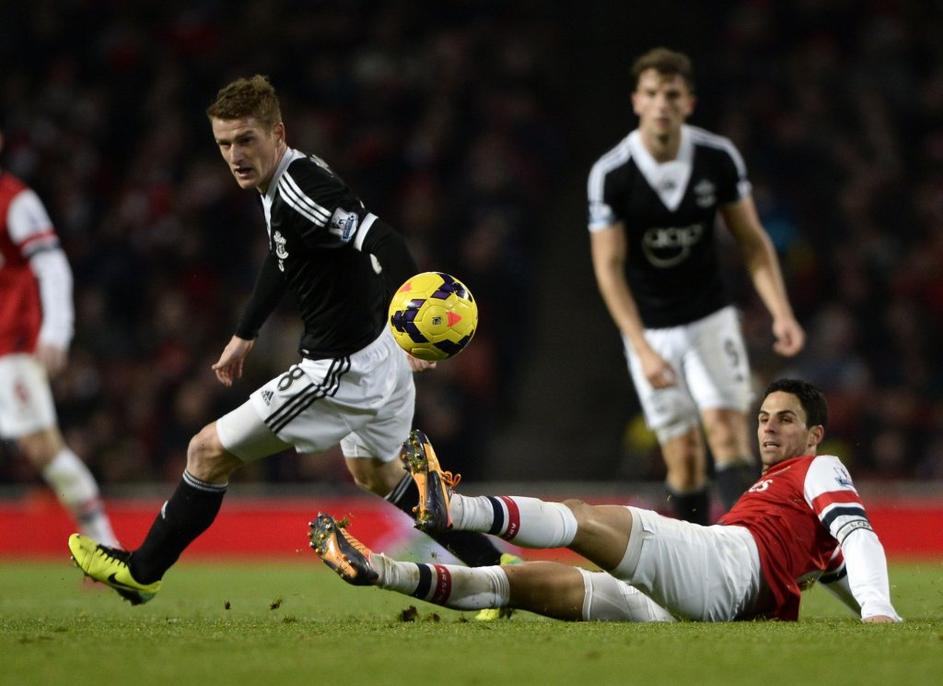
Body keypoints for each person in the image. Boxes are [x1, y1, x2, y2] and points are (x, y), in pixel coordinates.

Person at [67, 75, 512, 606]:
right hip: (376, 353)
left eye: (246, 140)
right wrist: (245, 333)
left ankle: (142, 571)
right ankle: (498, 570)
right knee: (378, 475)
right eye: (224, 144)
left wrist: (412, 330)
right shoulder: (289, 178)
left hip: (341, 369)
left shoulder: (301, 189)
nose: (235, 155)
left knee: (206, 451)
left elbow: (385, 241)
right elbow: (285, 256)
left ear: (277, 133)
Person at [312, 379, 901, 623]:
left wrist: (880, 614)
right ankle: (382, 571)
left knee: (582, 517)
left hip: (725, 564)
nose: (768, 428)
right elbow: (840, 564)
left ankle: (455, 508)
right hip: (698, 604)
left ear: (815, 434)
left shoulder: (819, 467)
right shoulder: (789, 507)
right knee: (516, 583)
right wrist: (864, 604)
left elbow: (858, 535)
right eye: (764, 417)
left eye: (785, 420)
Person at [586, 48, 806, 523]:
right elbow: (609, 267)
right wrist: (641, 347)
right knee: (683, 459)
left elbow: (752, 241)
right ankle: (695, 560)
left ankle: (755, 550)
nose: (661, 104)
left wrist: (781, 313)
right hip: (650, 327)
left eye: (672, 94)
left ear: (689, 102)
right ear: (636, 101)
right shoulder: (612, 174)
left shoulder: (717, 158)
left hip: (710, 316)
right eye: (651, 93)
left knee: (727, 435)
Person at [0, 128, 119, 547]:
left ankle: (106, 545)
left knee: (42, 448)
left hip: (12, 345)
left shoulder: (16, 201)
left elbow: (51, 265)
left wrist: (56, 331)